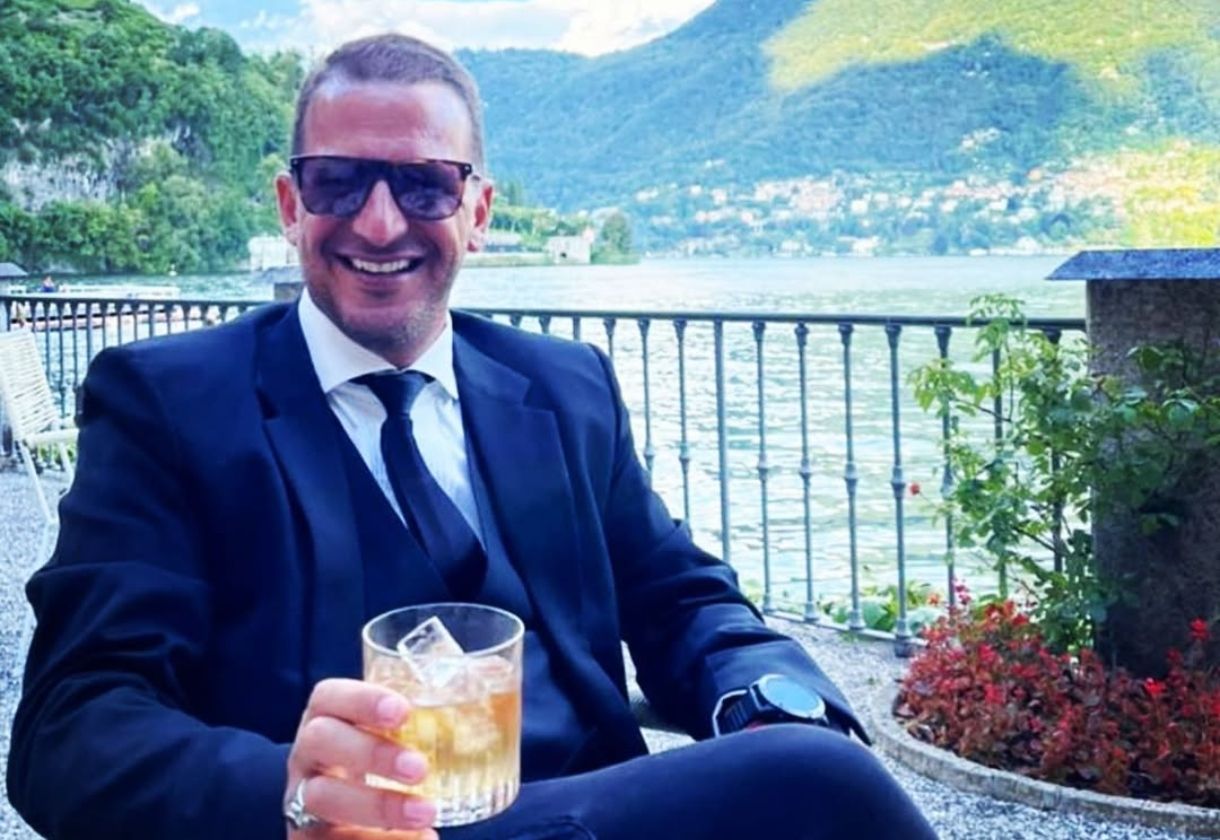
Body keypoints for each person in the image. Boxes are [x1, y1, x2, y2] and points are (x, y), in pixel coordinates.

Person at [7, 34, 937, 840]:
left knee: (807, 758)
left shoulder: (566, 386)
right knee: (822, 785)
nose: (379, 222)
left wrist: (767, 698)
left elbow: (680, 596)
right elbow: (70, 726)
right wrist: (292, 792)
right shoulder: (169, 402)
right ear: (291, 206)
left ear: (477, 213)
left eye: (424, 185)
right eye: (338, 181)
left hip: (598, 807)